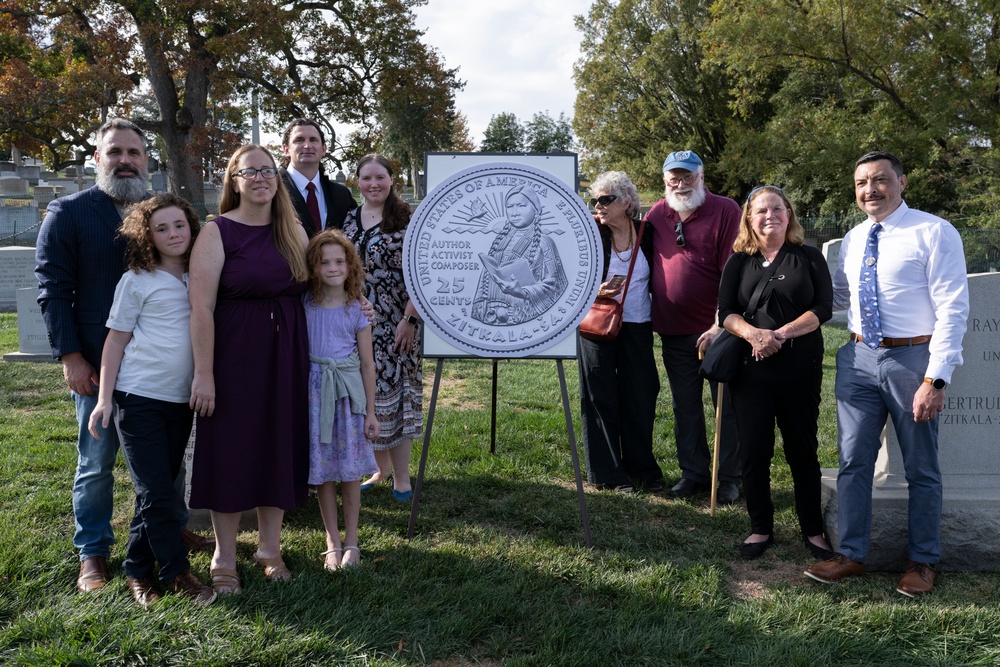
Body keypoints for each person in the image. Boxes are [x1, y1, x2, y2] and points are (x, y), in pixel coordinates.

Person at [35, 118, 212, 594]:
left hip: (163, 371)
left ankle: (167, 529)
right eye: (115, 152)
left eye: (134, 152)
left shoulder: (163, 214)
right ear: (98, 158)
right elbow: (52, 289)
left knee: (166, 464)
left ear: (147, 160)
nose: (125, 161)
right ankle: (92, 552)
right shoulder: (69, 212)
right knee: (96, 462)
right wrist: (71, 357)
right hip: (99, 365)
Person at [805, 151, 969, 597]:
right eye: (861, 183)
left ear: (901, 182)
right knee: (853, 460)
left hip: (912, 360)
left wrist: (935, 379)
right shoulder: (855, 237)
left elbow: (953, 309)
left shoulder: (934, 232)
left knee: (920, 467)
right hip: (858, 359)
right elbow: (837, 295)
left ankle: (923, 561)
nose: (869, 190)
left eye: (879, 180)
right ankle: (852, 555)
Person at [188, 144, 311, 594]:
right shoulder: (217, 232)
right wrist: (205, 373)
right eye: (249, 171)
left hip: (287, 354)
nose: (260, 177)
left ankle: (268, 548)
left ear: (277, 179)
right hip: (234, 354)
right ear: (234, 181)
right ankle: (224, 553)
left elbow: (320, 284)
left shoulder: (292, 229)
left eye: (267, 170)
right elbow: (200, 308)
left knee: (278, 442)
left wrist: (358, 303)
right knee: (231, 449)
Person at [87, 194, 215, 606]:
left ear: (192, 228)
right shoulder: (138, 279)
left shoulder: (203, 277)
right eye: (161, 229)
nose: (172, 234)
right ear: (148, 237)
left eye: (179, 225)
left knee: (154, 493)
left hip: (181, 402)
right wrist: (104, 398)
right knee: (156, 492)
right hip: (138, 398)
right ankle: (177, 574)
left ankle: (136, 571)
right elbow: (115, 341)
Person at [717, 186, 833, 560]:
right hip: (750, 373)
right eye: (761, 210)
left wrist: (778, 335)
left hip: (800, 371)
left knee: (802, 450)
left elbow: (823, 308)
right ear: (750, 219)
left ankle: (812, 530)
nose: (770, 215)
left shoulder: (809, 257)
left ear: (789, 214)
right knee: (753, 450)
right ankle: (761, 527)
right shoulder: (739, 261)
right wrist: (753, 334)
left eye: (778, 209)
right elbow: (726, 313)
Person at [645, 150, 741, 503]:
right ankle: (694, 472)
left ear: (702, 176)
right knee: (685, 405)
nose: (680, 184)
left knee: (726, 407)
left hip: (719, 329)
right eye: (674, 178)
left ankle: (729, 477)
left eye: (687, 177)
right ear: (665, 181)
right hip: (673, 329)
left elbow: (734, 271)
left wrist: (721, 323)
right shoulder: (657, 213)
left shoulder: (725, 209)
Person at [578, 171, 663, 493]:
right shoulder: (590, 233)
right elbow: (568, 275)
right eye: (595, 200)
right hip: (595, 326)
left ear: (626, 202)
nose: (598, 206)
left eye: (605, 199)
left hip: (638, 325)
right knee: (600, 396)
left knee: (641, 394)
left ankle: (642, 470)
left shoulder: (649, 232)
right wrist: (594, 290)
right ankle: (608, 474)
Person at [343, 154, 422, 502]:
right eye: (365, 178)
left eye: (380, 177)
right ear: (356, 181)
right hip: (356, 324)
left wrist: (410, 320)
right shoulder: (349, 218)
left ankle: (402, 477)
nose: (373, 184)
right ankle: (380, 469)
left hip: (398, 323)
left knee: (397, 397)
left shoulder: (409, 218)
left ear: (392, 179)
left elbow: (423, 274)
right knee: (368, 399)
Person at [303, 230, 380, 570]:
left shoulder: (357, 310)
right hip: (315, 396)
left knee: (349, 472)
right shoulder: (304, 305)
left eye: (339, 261)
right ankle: (331, 540)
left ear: (350, 266)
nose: (332, 268)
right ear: (313, 267)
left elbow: (367, 363)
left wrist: (371, 412)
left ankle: (352, 540)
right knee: (324, 472)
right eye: (324, 262)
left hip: (348, 399)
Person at [471, 185, 569, 326]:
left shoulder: (545, 242)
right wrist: (479, 306)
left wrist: (523, 292)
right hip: (490, 317)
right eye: (510, 207)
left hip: (522, 317)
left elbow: (555, 285)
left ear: (536, 210)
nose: (514, 212)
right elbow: (485, 280)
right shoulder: (500, 240)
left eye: (521, 206)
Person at [279, 118, 357, 236]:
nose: (307, 145)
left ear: (324, 149)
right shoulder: (272, 189)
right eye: (299, 140)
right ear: (286, 149)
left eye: (313, 140)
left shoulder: (342, 196)